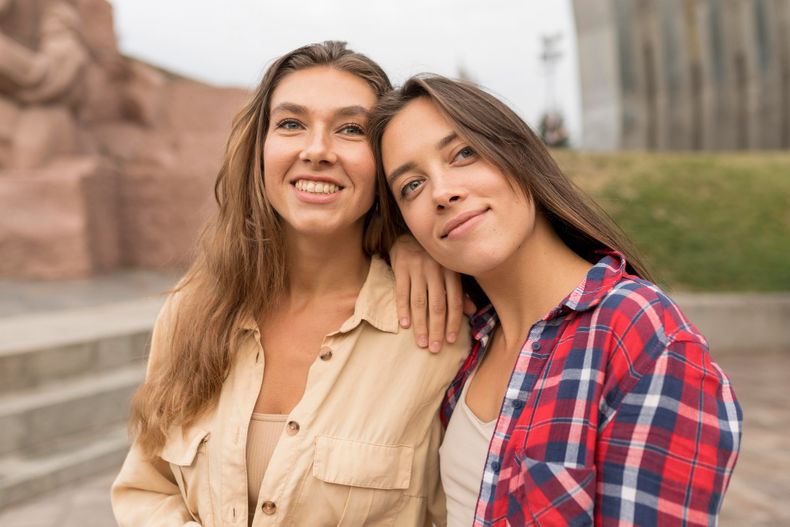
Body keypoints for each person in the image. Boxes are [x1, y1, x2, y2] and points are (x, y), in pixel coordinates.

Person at [111, 43, 468, 527]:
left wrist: (416, 242)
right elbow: (146, 489)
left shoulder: (437, 329)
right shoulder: (191, 311)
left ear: (384, 162)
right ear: (259, 148)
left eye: (351, 129)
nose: (317, 150)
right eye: (291, 123)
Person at [370, 75, 742, 527]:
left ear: (518, 154)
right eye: (411, 185)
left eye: (464, 153)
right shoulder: (468, 339)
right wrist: (398, 246)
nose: (442, 193)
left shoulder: (638, 331)